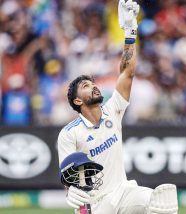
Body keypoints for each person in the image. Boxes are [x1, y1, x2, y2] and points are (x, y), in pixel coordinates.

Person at [57, 1, 178, 214]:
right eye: (86, 86)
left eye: (93, 83)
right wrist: (70, 191)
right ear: (77, 101)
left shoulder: (112, 109)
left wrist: (130, 30)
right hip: (96, 203)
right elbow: (68, 171)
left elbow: (127, 72)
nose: (94, 87)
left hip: (123, 192)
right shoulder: (69, 134)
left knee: (162, 202)